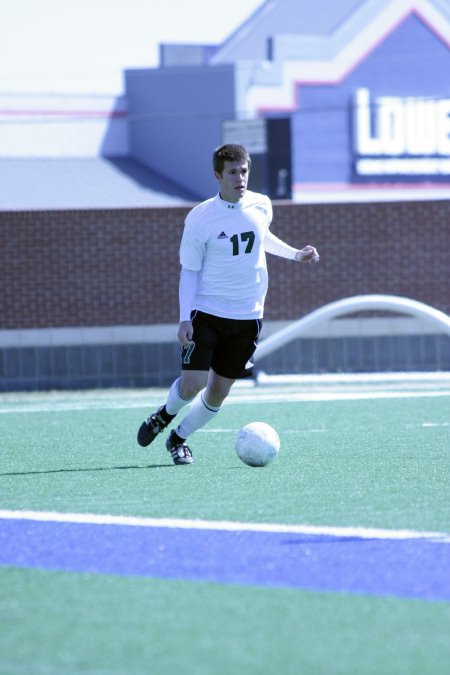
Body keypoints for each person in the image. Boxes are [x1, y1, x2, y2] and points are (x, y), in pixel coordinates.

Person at [137, 144, 319, 465]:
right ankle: (163, 415)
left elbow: (262, 238)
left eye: (244, 171)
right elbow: (190, 270)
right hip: (206, 313)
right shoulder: (200, 218)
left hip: (248, 316)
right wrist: (184, 318)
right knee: (193, 383)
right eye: (233, 172)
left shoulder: (261, 205)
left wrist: (295, 254)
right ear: (218, 176)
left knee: (218, 392)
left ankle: (178, 439)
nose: (240, 178)